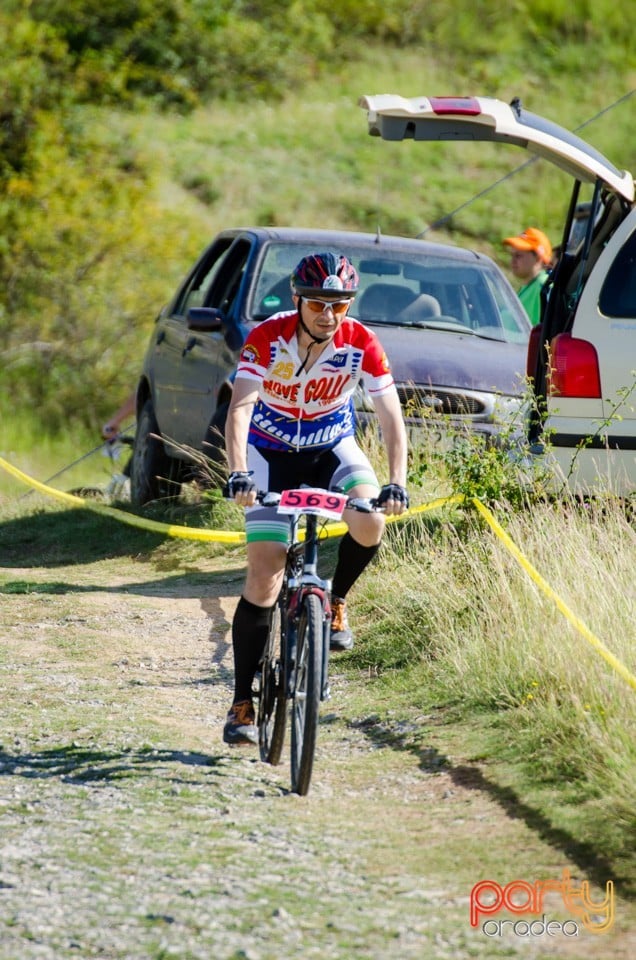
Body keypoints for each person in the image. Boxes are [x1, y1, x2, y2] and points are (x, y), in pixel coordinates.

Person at [222, 252, 409, 745]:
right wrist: (238, 472)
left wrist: (397, 481)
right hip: (269, 453)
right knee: (265, 571)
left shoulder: (361, 341)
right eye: (319, 304)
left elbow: (390, 414)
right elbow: (240, 407)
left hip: (331, 447)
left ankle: (338, 600)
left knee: (370, 523)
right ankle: (242, 701)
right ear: (298, 300)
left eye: (340, 305)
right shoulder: (267, 337)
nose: (329, 315)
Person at [502, 227, 553, 326]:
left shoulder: (543, 287)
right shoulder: (530, 285)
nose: (512, 260)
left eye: (518, 256)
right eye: (512, 255)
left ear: (538, 257)